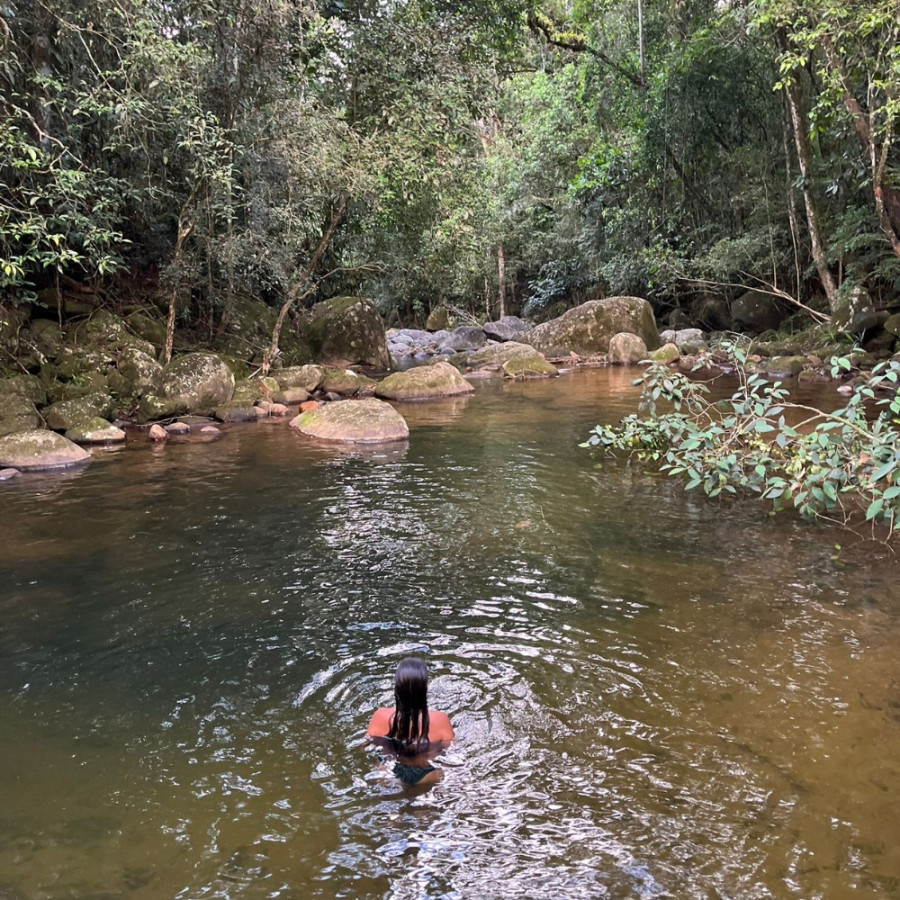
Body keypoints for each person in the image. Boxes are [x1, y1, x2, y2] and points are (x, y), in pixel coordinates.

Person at [366, 657, 454, 787]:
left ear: (397, 687)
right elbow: (451, 751)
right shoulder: (440, 719)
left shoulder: (380, 715)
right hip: (428, 773)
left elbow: (367, 747)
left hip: (388, 772)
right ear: (426, 687)